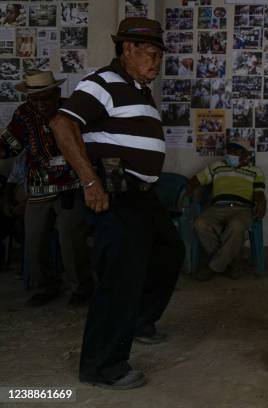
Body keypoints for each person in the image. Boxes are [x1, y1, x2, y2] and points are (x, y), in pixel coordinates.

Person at [50, 17, 184, 390]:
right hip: (115, 193)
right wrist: (90, 182)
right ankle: (102, 366)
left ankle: (140, 321)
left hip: (142, 195)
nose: (157, 63)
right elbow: (62, 125)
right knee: (119, 278)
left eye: (159, 56)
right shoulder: (102, 83)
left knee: (169, 253)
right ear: (127, 49)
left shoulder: (138, 88)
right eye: (151, 55)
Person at [0, 70, 93, 307]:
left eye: (45, 98)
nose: (40, 104)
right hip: (39, 188)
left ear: (57, 94)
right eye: (34, 99)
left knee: (71, 242)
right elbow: (10, 144)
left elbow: (88, 145)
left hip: (69, 187)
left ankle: (81, 287)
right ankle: (46, 286)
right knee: (34, 242)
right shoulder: (23, 115)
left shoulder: (70, 112)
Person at [185, 140, 266, 281]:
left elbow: (259, 193)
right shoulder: (217, 167)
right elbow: (193, 182)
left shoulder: (255, 171)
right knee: (200, 223)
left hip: (242, 209)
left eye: (236, 151)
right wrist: (186, 196)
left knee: (236, 226)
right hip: (217, 208)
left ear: (245, 154)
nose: (231, 154)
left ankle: (213, 268)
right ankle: (231, 262)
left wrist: (262, 202)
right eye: (230, 150)